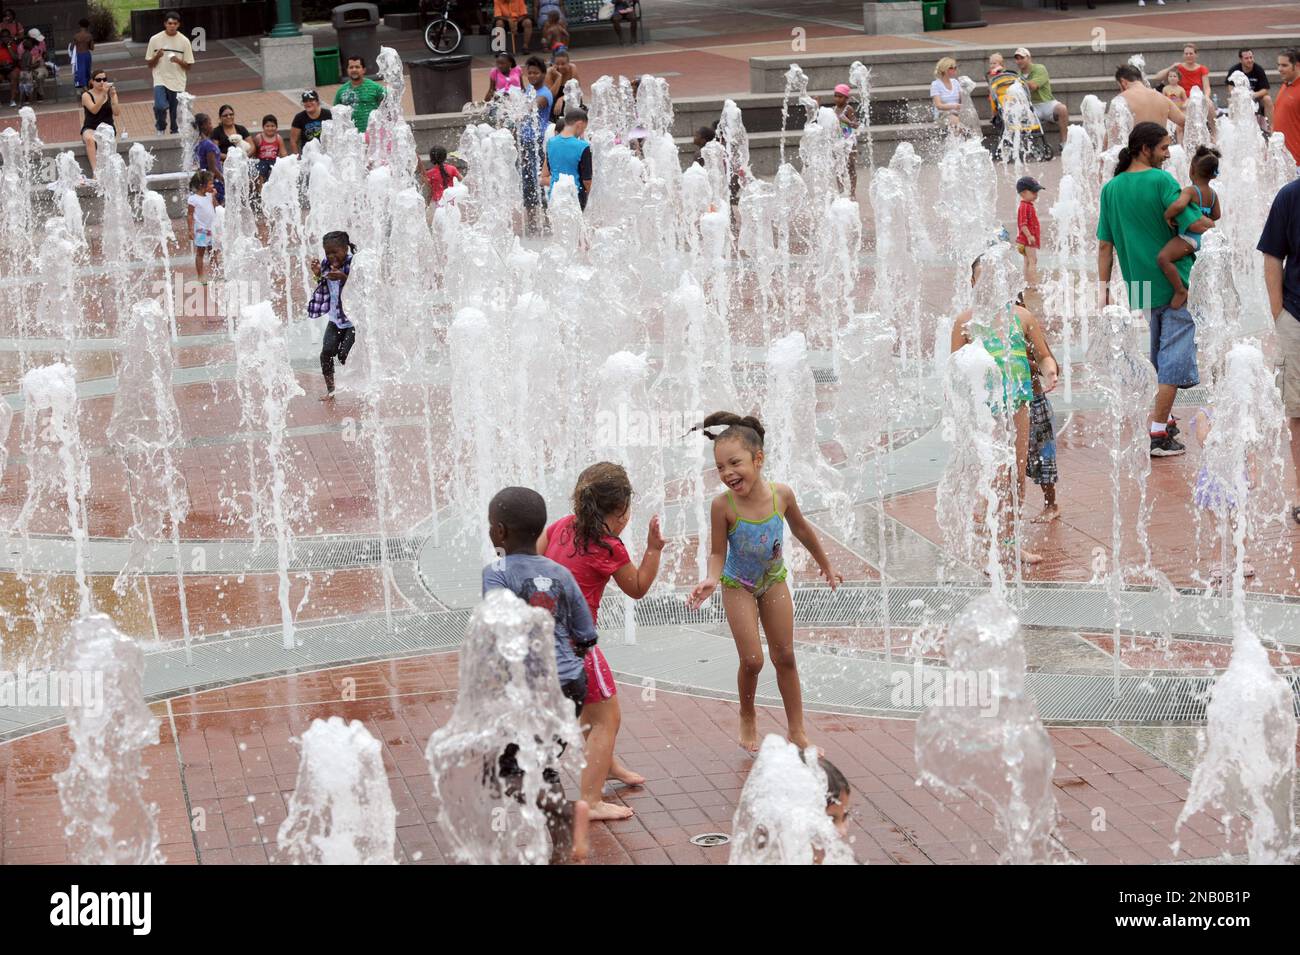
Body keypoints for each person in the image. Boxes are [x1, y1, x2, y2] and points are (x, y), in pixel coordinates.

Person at [685, 412, 843, 752]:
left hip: (773, 580)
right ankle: (747, 712)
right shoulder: (722, 506)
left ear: (758, 459)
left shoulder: (781, 495)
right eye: (720, 468)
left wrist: (826, 565)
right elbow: (716, 552)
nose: (728, 473)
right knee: (753, 660)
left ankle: (797, 730)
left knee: (785, 655)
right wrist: (712, 578)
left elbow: (802, 529)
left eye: (734, 463)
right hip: (736, 584)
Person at [538, 462, 663, 822]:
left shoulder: (561, 526)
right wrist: (653, 549)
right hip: (576, 644)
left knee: (592, 712)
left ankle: (607, 766)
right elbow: (637, 588)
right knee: (608, 717)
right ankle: (590, 800)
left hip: (543, 636)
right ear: (621, 512)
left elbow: (533, 557)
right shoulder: (608, 546)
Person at [483, 485, 594, 863]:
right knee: (545, 763)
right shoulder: (562, 573)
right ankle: (561, 851)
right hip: (570, 683)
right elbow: (586, 633)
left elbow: (499, 627)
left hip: (528, 685)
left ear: (499, 531)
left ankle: (564, 810)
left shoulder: (496, 572)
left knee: (505, 767)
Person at [1098, 122, 1211, 457]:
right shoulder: (1161, 180)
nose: (1166, 154)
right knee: (1173, 358)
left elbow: (1105, 247)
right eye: (1162, 148)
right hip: (1175, 282)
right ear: (1144, 149)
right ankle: (1158, 432)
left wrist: (1102, 290)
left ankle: (1165, 417)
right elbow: (1193, 222)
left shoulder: (1111, 188)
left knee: (1158, 355)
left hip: (1140, 285)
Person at [951, 256, 1060, 562]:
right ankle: (985, 546)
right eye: (983, 279)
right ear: (973, 283)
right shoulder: (965, 322)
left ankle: (1010, 544)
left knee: (1015, 475)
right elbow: (954, 367)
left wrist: (1049, 370)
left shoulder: (1022, 316)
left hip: (1019, 405)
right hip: (984, 410)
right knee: (993, 475)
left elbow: (1042, 355)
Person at [1257, 175, 1300, 527]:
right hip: (1297, 318)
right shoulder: (1290, 196)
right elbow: (1273, 255)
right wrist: (1279, 313)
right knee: (1298, 412)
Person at [1189, 407, 1255, 584]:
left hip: (1236, 475)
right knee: (1217, 524)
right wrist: (1218, 426)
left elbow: (1248, 445)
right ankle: (1217, 560)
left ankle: (1241, 557)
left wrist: (1253, 471)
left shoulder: (1240, 411)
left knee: (1239, 520)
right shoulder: (1204, 414)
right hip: (1214, 477)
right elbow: (1203, 441)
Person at [1156, 146, 1221, 308]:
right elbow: (1217, 215)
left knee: (1163, 258)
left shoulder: (1191, 191)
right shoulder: (1212, 194)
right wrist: (1205, 217)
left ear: (1191, 170)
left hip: (1190, 238)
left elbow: (1178, 205)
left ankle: (1180, 290)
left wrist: (1167, 215)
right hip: (1204, 240)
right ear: (1214, 174)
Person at [307, 231, 357, 400]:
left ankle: (366, 380)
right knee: (326, 354)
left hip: (353, 321)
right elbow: (322, 283)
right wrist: (317, 273)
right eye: (328, 253)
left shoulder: (354, 263)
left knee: (344, 356)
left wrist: (344, 278)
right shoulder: (326, 264)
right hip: (335, 319)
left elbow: (362, 286)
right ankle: (331, 391)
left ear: (345, 248)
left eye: (335, 252)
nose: (331, 256)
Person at [145, 11, 194, 135]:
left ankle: (174, 132)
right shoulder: (155, 39)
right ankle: (160, 127)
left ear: (178, 25)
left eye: (175, 23)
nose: (172, 26)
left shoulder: (184, 41)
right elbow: (149, 64)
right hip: (160, 79)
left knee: (175, 112)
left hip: (177, 81)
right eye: (169, 23)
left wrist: (178, 60)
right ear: (165, 24)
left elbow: (189, 66)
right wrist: (157, 56)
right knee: (160, 106)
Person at [520, 55, 553, 234]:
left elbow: (533, 107)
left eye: (535, 73)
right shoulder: (529, 90)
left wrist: (514, 111)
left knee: (541, 179)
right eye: (529, 73)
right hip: (526, 142)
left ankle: (548, 219)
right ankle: (532, 222)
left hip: (539, 143)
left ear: (543, 74)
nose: (532, 76)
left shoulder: (544, 94)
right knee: (528, 181)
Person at [1013, 47, 1068, 148]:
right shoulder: (1017, 75)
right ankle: (1034, 148)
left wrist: (1017, 83)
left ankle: (1064, 143)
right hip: (1031, 107)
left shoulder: (1040, 68)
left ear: (1029, 58)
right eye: (1017, 59)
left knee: (1062, 109)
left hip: (1047, 103)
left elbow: (1033, 86)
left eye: (1022, 58)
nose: (1019, 61)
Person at [1114, 64, 1184, 137]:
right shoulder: (1162, 98)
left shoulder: (1120, 100)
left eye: (1119, 87)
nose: (1120, 90)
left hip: (1136, 147)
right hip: (1160, 146)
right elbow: (1186, 122)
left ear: (1123, 82)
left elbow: (1112, 136)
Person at [543, 106, 592, 209]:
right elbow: (587, 180)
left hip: (555, 194)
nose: (582, 132)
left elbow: (550, 170)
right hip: (575, 196)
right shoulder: (583, 146)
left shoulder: (550, 143)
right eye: (583, 129)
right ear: (579, 124)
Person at [80, 70, 118, 177]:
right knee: (89, 139)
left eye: (104, 79)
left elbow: (117, 112)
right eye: (98, 80)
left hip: (107, 127)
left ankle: (109, 171)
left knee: (105, 139)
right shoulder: (86, 95)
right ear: (92, 82)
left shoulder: (109, 93)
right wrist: (103, 95)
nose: (102, 82)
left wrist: (114, 97)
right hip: (91, 127)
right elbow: (94, 110)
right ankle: (96, 172)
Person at [333, 56, 385, 135]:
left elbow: (388, 106)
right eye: (351, 67)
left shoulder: (375, 88)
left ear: (364, 70)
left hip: (372, 135)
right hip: (351, 137)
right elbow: (335, 114)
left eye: (357, 67)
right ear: (347, 70)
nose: (354, 70)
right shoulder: (341, 91)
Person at [1226, 48, 1273, 130]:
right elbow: (1231, 89)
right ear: (1241, 60)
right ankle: (1233, 128)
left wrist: (1253, 95)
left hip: (1256, 97)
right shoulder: (1234, 70)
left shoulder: (1258, 69)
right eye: (1247, 58)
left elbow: (1265, 89)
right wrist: (1241, 96)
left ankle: (1271, 127)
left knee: (1267, 99)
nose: (1250, 60)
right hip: (1240, 98)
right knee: (1231, 102)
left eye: (1251, 57)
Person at [187, 170, 217, 284]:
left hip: (211, 228)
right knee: (200, 253)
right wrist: (190, 230)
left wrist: (213, 196)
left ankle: (216, 273)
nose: (213, 185)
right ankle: (200, 276)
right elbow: (190, 215)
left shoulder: (209, 196)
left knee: (213, 252)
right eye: (210, 183)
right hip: (201, 230)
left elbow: (215, 207)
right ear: (202, 186)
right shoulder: (193, 199)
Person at [1015, 176, 1043, 290]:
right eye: (1034, 192)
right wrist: (1029, 236)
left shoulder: (1027, 205)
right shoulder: (1024, 207)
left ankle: (1026, 283)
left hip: (1025, 240)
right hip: (1026, 240)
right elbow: (1022, 224)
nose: (1036, 194)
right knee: (1033, 261)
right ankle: (1033, 284)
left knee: (1027, 262)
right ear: (1023, 193)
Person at [1274, 48, 1300, 169]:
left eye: (1284, 65)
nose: (1280, 69)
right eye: (1278, 65)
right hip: (1282, 160)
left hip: (1297, 163)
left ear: (1297, 65)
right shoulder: (1285, 85)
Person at [192, 113, 225, 204]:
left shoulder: (198, 143)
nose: (212, 126)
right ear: (203, 126)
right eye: (210, 123)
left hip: (203, 181)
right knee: (217, 209)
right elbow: (212, 168)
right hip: (214, 182)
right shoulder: (208, 145)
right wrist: (224, 180)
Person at [930, 57, 966, 135]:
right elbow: (939, 105)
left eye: (955, 68)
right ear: (945, 69)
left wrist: (966, 89)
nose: (955, 70)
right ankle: (958, 142)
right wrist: (954, 106)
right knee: (954, 120)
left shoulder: (955, 82)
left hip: (957, 113)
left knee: (967, 120)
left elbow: (963, 100)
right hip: (943, 114)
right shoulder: (935, 84)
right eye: (952, 68)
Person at [290, 90, 332, 155]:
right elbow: (293, 140)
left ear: (317, 102)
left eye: (311, 100)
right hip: (308, 155)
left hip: (326, 154)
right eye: (305, 101)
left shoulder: (328, 114)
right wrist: (297, 157)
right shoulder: (299, 118)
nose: (308, 103)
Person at [251, 114, 286, 186]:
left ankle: (275, 187)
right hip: (261, 160)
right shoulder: (259, 137)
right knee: (260, 172)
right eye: (267, 126)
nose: (270, 128)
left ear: (276, 127)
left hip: (274, 160)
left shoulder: (278, 138)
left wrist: (287, 162)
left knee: (277, 170)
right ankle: (260, 190)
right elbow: (254, 151)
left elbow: (283, 152)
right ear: (263, 127)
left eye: (272, 126)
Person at [545, 48, 578, 118]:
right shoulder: (549, 72)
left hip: (569, 97)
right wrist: (559, 77)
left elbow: (576, 90)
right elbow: (550, 96)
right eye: (557, 64)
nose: (560, 67)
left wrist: (561, 99)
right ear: (553, 64)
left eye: (563, 64)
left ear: (568, 63)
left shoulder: (572, 68)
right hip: (554, 100)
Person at [71, 19, 94, 91]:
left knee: (81, 71)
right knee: (87, 70)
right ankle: (88, 85)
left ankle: (84, 88)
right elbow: (92, 48)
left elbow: (72, 47)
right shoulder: (89, 36)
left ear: (80, 26)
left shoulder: (76, 36)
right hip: (87, 54)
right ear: (87, 26)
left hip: (79, 55)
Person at [0, 30, 18, 107]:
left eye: (7, 36)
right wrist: (1, 63)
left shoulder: (13, 45)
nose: (5, 38)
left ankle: (12, 100)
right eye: (3, 37)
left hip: (11, 68)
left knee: (14, 76)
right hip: (1, 69)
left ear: (10, 37)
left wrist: (9, 46)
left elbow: (15, 58)